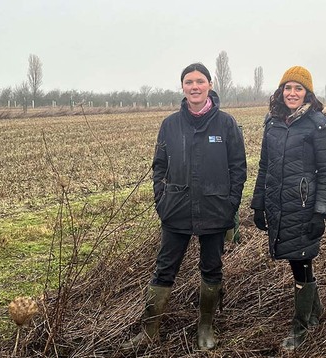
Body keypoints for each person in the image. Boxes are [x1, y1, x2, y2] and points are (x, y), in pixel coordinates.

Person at [121, 63, 247, 351]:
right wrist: (161, 202)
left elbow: (238, 168)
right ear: (182, 87)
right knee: (164, 269)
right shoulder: (170, 125)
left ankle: (206, 327)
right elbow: (159, 167)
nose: (194, 86)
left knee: (211, 269)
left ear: (210, 85)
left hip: (216, 210)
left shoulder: (226, 124)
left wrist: (230, 205)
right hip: (176, 209)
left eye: (200, 81)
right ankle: (149, 329)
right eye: (189, 82)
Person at [250, 66, 326, 351]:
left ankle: (300, 327)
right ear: (280, 91)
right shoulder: (272, 122)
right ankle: (315, 313)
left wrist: (321, 212)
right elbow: (264, 167)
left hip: (303, 206)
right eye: (288, 88)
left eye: (298, 88)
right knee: (299, 260)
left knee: (300, 260)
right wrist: (259, 204)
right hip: (278, 204)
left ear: (307, 93)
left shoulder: (318, 125)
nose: (292, 93)